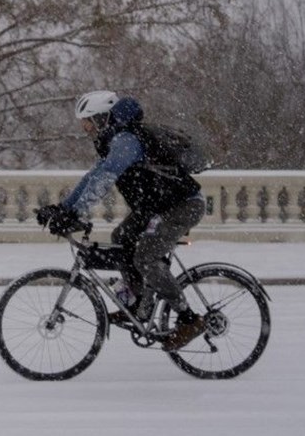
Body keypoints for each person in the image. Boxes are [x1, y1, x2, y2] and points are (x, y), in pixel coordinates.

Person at [37, 90, 208, 351]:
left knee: (146, 257)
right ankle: (138, 303)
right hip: (157, 208)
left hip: (182, 205)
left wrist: (75, 214)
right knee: (121, 238)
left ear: (103, 118)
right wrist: (63, 208)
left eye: (88, 122)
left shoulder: (127, 141)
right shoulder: (114, 142)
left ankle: (189, 320)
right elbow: (91, 178)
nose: (86, 129)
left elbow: (105, 178)